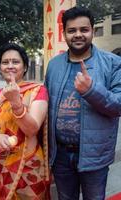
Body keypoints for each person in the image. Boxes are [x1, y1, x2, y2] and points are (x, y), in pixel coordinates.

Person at [45, 6, 121, 200]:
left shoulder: (112, 63)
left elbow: (118, 106)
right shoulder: (54, 65)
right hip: (60, 155)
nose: (78, 35)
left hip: (94, 155)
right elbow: (46, 108)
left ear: (92, 31)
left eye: (84, 30)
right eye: (72, 31)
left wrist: (91, 91)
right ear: (65, 34)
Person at [0, 43, 50, 200]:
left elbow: (32, 129)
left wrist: (16, 103)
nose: (10, 66)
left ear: (25, 66)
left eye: (16, 62)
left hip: (28, 167)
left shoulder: (38, 91)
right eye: (5, 62)